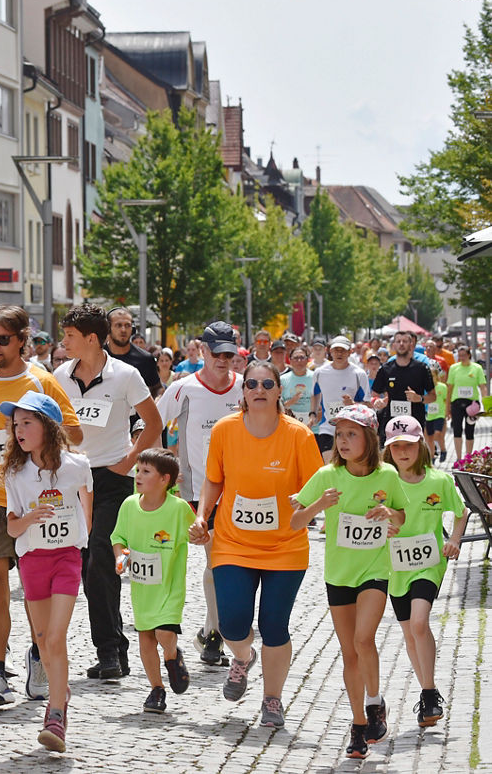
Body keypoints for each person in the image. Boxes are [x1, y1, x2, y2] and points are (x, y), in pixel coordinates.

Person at [188, 360, 323, 728]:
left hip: (285, 547)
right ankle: (242, 658)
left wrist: (305, 506)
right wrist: (203, 516)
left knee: (274, 626)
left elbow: (316, 489)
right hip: (234, 543)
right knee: (232, 624)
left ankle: (272, 700)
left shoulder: (298, 436)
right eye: (251, 384)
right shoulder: (224, 430)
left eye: (267, 383)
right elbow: (213, 480)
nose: (259, 389)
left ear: (280, 390)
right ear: (243, 391)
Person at [0, 305, 82, 706]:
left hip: (41, 497)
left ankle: (40, 652)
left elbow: (74, 432)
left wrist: (33, 440)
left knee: (39, 585)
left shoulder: (42, 381)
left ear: (21, 341)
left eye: (2, 340)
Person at [54, 304, 163, 684]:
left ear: (91, 339)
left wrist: (130, 460)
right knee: (88, 567)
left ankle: (109, 652)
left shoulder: (125, 374)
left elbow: (153, 422)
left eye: (69, 336)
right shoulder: (59, 376)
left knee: (101, 556)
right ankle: (114, 649)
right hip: (74, 480)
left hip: (113, 479)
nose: (63, 342)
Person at [291, 404, 407, 759]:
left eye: (351, 434)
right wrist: (316, 507)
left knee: (364, 638)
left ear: (369, 439)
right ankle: (358, 725)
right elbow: (296, 522)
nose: (342, 441)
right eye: (339, 434)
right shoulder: (327, 475)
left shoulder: (387, 476)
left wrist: (390, 514)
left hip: (373, 570)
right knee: (349, 653)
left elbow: (401, 517)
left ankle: (374, 703)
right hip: (338, 574)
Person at [1, 391, 93, 754]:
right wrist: (29, 519)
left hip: (67, 558)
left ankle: (56, 714)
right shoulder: (15, 472)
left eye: (28, 422)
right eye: (16, 424)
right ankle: (59, 684)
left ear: (48, 427)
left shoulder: (77, 466)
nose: (19, 430)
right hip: (32, 560)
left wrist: (79, 541)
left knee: (55, 637)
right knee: (42, 639)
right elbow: (10, 527)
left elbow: (87, 511)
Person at [157, 320, 244, 668]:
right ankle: (215, 634)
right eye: (216, 353)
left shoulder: (245, 387)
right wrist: (149, 472)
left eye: (229, 354)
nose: (223, 360)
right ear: (202, 352)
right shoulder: (183, 388)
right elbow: (151, 423)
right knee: (215, 560)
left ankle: (211, 630)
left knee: (229, 561)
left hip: (242, 488)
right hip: (198, 489)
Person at [382, 416, 467, 726]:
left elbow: (461, 512)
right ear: (388, 450)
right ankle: (426, 691)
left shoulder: (438, 481)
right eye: (396, 447)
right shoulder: (383, 481)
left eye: (409, 446)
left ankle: (429, 694)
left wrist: (454, 540)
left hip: (429, 563)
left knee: (419, 623)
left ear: (422, 446)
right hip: (394, 565)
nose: (403, 452)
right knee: (407, 631)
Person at [111, 449, 195, 714]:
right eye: (138, 470)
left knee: (164, 632)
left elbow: (197, 533)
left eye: (146, 471)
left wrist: (201, 534)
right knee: (146, 637)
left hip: (170, 586)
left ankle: (172, 656)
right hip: (142, 588)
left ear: (164, 479)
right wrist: (119, 557)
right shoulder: (128, 505)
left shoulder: (179, 508)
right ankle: (156, 689)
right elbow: (118, 538)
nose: (138, 475)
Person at [310, 336, 373, 463]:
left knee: (349, 466)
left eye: (343, 350)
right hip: (327, 427)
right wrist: (313, 413)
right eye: (336, 350)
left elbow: (368, 405)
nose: (339, 353)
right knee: (329, 466)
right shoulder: (319, 373)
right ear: (330, 351)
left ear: (350, 352)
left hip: (352, 429)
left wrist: (353, 404)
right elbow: (315, 394)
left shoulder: (359, 374)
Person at [371, 331, 435, 443]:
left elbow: (433, 396)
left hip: (414, 422)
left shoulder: (421, 368)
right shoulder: (386, 369)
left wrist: (419, 398)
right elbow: (374, 395)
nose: (401, 344)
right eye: (398, 341)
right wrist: (379, 401)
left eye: (405, 341)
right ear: (394, 345)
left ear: (411, 345)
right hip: (391, 422)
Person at [106, 308, 163, 398]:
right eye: (118, 325)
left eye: (127, 325)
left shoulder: (146, 359)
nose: (123, 330)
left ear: (132, 329)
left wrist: (158, 398)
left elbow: (157, 388)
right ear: (108, 328)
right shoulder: (98, 356)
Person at [447, 344, 488, 462]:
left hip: (472, 405)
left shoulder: (477, 368)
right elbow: (449, 388)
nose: (461, 358)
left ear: (469, 355)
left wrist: (485, 405)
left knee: (470, 431)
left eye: (464, 355)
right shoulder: (454, 368)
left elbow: (483, 387)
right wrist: (447, 408)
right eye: (459, 356)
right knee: (457, 430)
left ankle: (468, 457)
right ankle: (459, 458)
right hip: (456, 403)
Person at [280, 345, 316, 425]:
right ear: (290, 360)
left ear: (307, 360)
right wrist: (290, 402)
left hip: (313, 428)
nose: (299, 361)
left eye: (302, 358)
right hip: (290, 426)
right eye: (296, 358)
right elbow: (277, 406)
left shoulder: (315, 378)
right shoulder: (282, 379)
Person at [426, 363, 449, 462]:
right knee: (429, 438)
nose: (432, 378)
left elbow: (447, 400)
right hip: (428, 416)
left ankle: (443, 450)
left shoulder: (442, 387)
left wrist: (447, 412)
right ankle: (432, 456)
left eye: (433, 376)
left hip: (439, 414)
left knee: (437, 434)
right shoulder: (425, 388)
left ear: (437, 376)